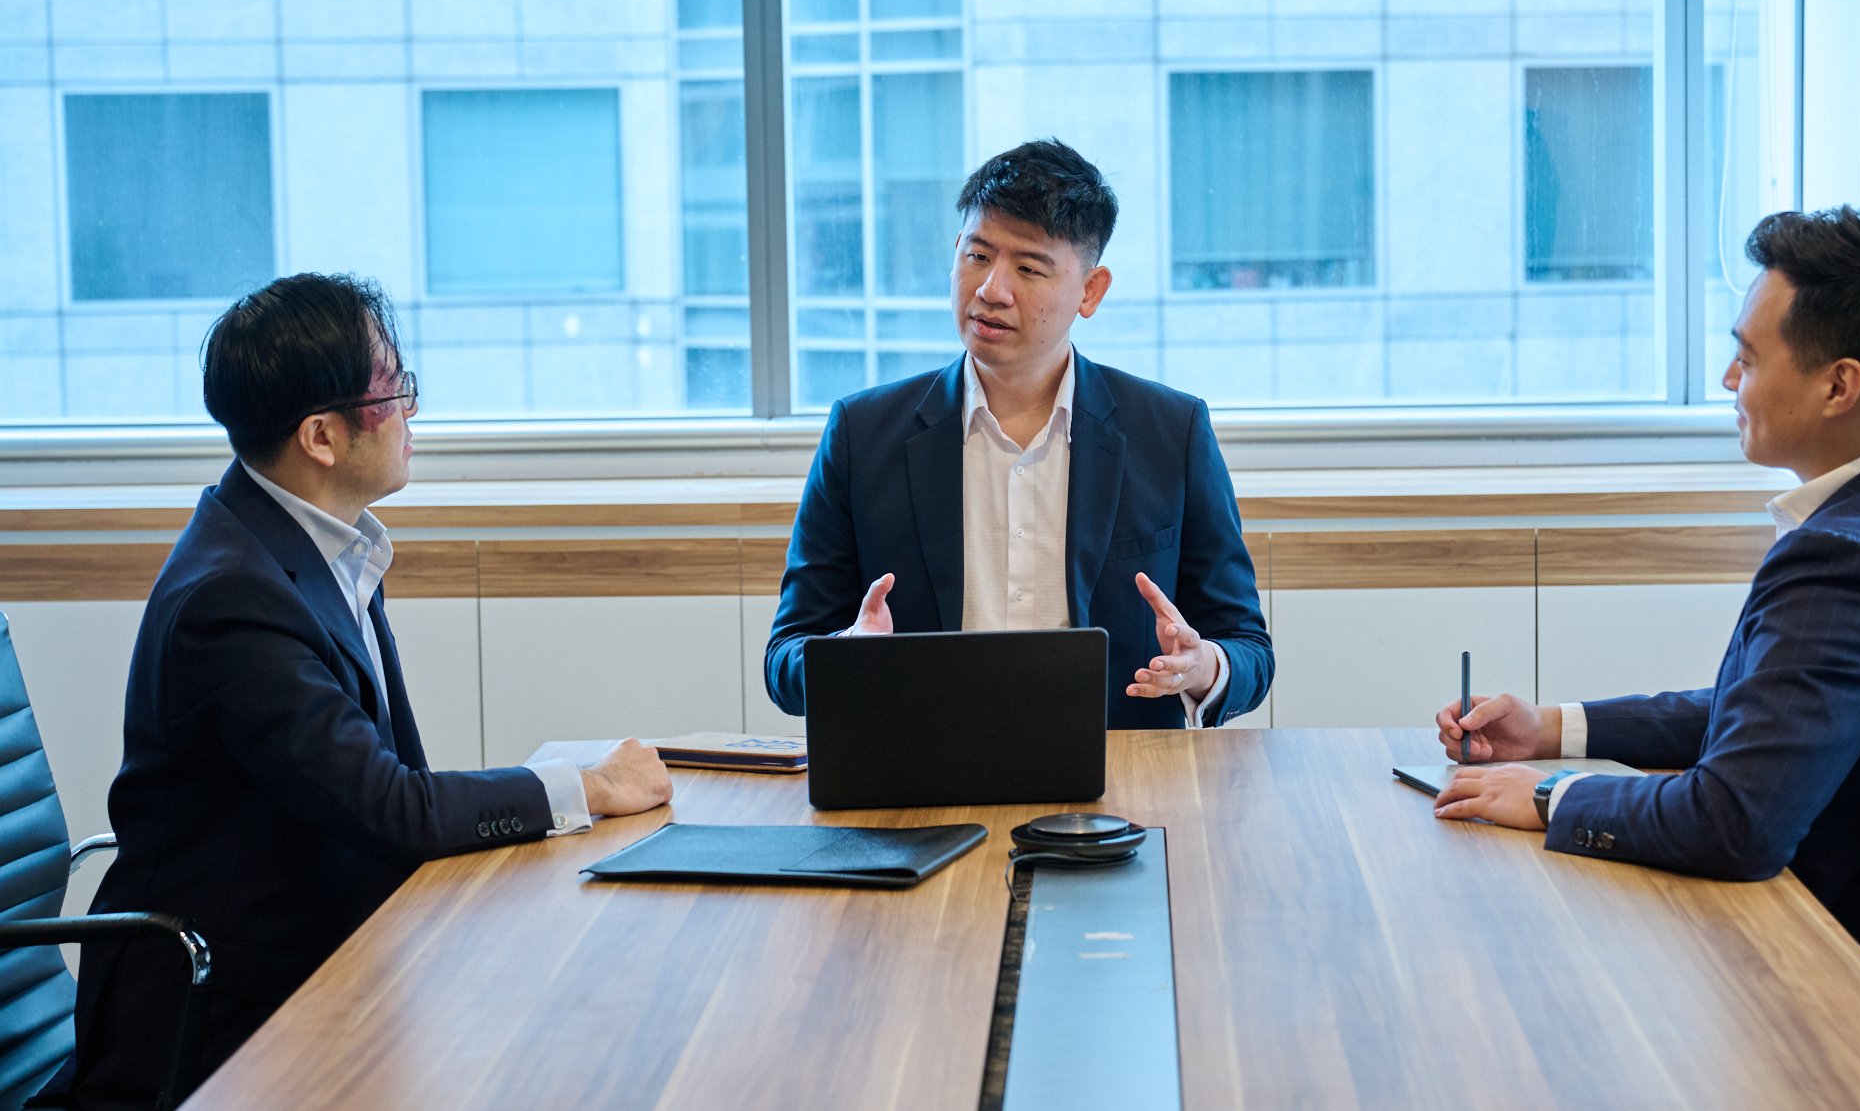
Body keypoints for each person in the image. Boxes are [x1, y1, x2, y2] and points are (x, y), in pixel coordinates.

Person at [63, 275, 673, 1109]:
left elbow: (390, 791)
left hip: (330, 955)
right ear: (322, 435)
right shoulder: (232, 597)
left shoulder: (318, 549)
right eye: (392, 390)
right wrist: (589, 787)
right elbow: (391, 807)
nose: (410, 412)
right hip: (224, 1010)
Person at [1432, 208, 1860, 938]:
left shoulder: (1843, 562)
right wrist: (1549, 729)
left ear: (1839, 386)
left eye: (1751, 357)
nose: (1729, 376)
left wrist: (1552, 796)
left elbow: (1731, 823)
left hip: (1799, 952)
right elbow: (1774, 716)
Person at [766, 139, 1273, 729]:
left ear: (1090, 290)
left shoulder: (1170, 431)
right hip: (920, 783)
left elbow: (1247, 648)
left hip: (1121, 783)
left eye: (1028, 268)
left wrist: (1205, 666)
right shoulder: (863, 432)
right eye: (977, 256)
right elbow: (786, 658)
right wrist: (846, 658)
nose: (991, 290)